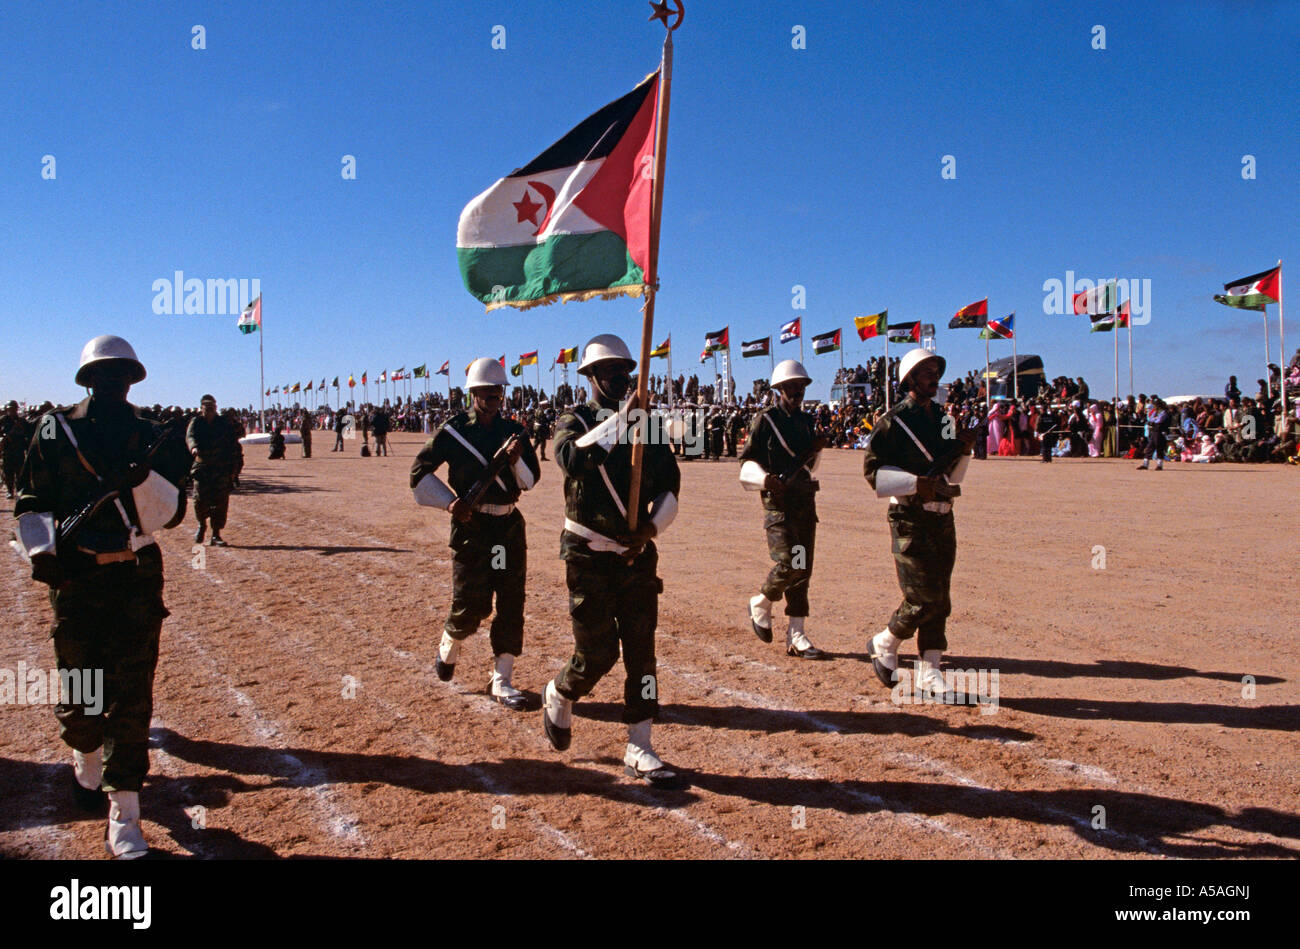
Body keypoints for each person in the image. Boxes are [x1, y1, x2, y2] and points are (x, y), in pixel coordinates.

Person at [14, 335, 191, 858]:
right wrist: (44, 555)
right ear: (87, 380)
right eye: (102, 376)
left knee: (132, 697)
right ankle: (86, 758)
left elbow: (172, 512)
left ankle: (126, 815)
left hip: (135, 577)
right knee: (82, 697)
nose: (112, 384)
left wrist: (141, 485)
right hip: (77, 578)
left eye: (121, 376)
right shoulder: (57, 430)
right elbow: (30, 498)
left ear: (132, 380)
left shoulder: (151, 436)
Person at [540, 334, 684, 789]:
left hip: (635, 559)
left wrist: (650, 529)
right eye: (610, 372)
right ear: (591, 377)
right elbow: (573, 459)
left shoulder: (651, 426)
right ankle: (561, 692)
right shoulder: (572, 419)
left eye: (626, 371)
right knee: (597, 655)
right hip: (588, 557)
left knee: (643, 655)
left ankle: (640, 745)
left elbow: (670, 486)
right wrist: (625, 418)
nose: (620, 378)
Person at [410, 357, 541, 711]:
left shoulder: (514, 433)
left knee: (511, 602)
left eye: (497, 391)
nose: (493, 397)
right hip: (473, 528)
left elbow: (531, 480)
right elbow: (419, 474)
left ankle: (502, 679)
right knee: (472, 605)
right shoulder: (453, 432)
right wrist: (451, 504)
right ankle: (449, 644)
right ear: (473, 394)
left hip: (507, 527)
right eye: (486, 391)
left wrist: (514, 460)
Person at [863, 347, 975, 698]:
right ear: (910, 379)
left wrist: (965, 450)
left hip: (942, 515)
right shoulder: (892, 422)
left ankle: (930, 672)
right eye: (926, 371)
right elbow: (873, 472)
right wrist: (915, 484)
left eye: (935, 371)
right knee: (922, 595)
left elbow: (954, 475)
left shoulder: (943, 417)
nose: (934, 377)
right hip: (909, 516)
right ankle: (885, 641)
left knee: (940, 598)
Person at [738, 360, 828, 660]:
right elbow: (747, 460)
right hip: (779, 504)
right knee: (789, 562)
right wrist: (765, 480)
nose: (797, 391)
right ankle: (762, 601)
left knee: (804, 570)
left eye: (801, 386)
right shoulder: (766, 420)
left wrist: (816, 449)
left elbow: (810, 467)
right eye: (791, 386)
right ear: (779, 389)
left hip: (804, 501)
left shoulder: (805, 421)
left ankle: (797, 633)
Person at [186, 395, 241, 545]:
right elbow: (190, 436)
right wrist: (194, 447)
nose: (209, 412)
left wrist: (234, 468)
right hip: (202, 467)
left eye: (211, 409)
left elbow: (232, 443)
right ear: (201, 409)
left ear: (215, 409)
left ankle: (216, 534)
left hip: (220, 467)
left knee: (221, 501)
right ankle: (201, 525)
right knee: (199, 499)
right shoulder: (196, 422)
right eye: (206, 409)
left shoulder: (223, 424)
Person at [1, 400, 34, 498]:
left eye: (13, 409)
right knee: (8, 472)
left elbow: (28, 435)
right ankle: (10, 491)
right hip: (7, 450)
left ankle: (19, 490)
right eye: (10, 409)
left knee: (20, 472)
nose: (11, 411)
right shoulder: (2, 420)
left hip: (19, 450)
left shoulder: (22, 421)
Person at [1136, 397, 1169, 470]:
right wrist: (1153, 420)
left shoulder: (1163, 412)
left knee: (1159, 448)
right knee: (1149, 447)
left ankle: (1159, 465)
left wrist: (1154, 420)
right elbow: (1151, 419)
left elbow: (1159, 420)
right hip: (1154, 431)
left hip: (1160, 431)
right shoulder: (1155, 411)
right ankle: (1145, 464)